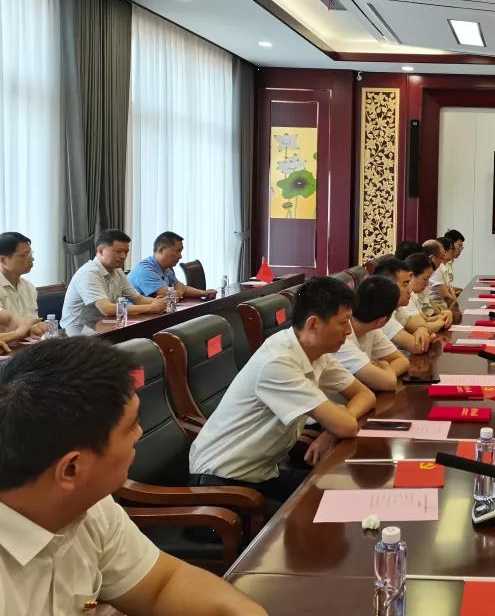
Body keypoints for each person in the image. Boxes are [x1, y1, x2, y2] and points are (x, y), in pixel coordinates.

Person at [0, 338, 267, 616]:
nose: (139, 434)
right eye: (130, 427)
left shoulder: (89, 506)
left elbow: (162, 585)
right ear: (71, 469)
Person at [188, 277, 376, 504]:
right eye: (343, 322)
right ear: (313, 324)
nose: (348, 331)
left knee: (346, 491)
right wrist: (338, 425)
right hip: (221, 485)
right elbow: (346, 426)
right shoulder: (278, 362)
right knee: (327, 506)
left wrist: (332, 430)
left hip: (261, 474)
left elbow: (365, 395)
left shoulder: (315, 352)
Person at [61, 229, 167, 335]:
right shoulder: (88, 273)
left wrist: (160, 303)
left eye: (126, 252)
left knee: (147, 330)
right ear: (101, 250)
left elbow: (138, 299)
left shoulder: (117, 271)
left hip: (103, 324)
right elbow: (107, 309)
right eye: (118, 251)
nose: (123, 256)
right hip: (76, 331)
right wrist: (150, 307)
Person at [333, 276, 411, 391]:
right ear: (382, 321)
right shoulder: (340, 339)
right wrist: (384, 368)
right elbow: (388, 382)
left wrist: (380, 375)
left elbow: (403, 361)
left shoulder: (371, 329)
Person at [127, 231, 217, 299]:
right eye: (177, 251)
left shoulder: (165, 269)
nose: (180, 256)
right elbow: (171, 296)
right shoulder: (146, 270)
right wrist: (180, 290)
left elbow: (181, 288)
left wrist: (203, 293)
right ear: (161, 250)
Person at [374, 256, 435, 350]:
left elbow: (423, 327)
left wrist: (421, 329)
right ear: (387, 286)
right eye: (405, 284)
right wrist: (428, 336)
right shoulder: (381, 314)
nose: (410, 290)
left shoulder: (396, 309)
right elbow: (418, 347)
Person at [0, 232, 43, 335]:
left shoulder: (29, 287)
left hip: (29, 342)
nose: (32, 259)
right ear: (3, 260)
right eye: (25, 255)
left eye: (30, 254)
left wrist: (40, 326)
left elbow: (33, 321)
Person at [406, 253, 452, 331]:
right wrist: (443, 321)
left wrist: (443, 315)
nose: (427, 284)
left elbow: (425, 319)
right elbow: (423, 327)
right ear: (411, 276)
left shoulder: (413, 294)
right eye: (425, 279)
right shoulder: (405, 295)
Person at [427, 236, 459, 308]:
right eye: (452, 249)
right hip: (439, 307)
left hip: (443, 307)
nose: (453, 251)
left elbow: (450, 290)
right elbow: (445, 296)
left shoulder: (444, 266)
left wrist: (457, 304)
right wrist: (457, 308)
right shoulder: (437, 269)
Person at [443, 229, 466, 295]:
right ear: (450, 245)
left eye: (462, 247)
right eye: (459, 246)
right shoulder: (441, 263)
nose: (460, 250)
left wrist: (461, 290)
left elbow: (447, 287)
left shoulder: (450, 262)